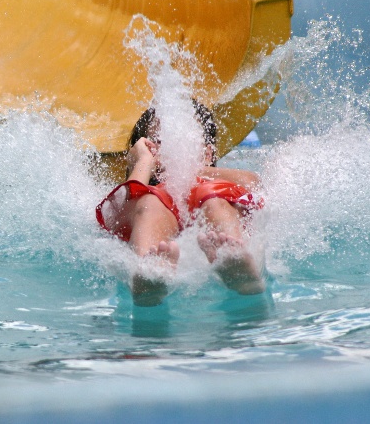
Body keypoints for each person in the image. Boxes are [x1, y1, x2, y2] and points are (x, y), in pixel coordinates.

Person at [96, 103, 266, 306]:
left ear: (207, 154)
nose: (170, 149)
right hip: (156, 207)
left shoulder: (216, 181)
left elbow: (254, 185)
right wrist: (142, 164)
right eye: (158, 143)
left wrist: (184, 168)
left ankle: (235, 261)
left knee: (213, 199)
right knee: (148, 202)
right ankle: (150, 274)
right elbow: (115, 214)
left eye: (182, 142)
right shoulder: (145, 192)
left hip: (211, 200)